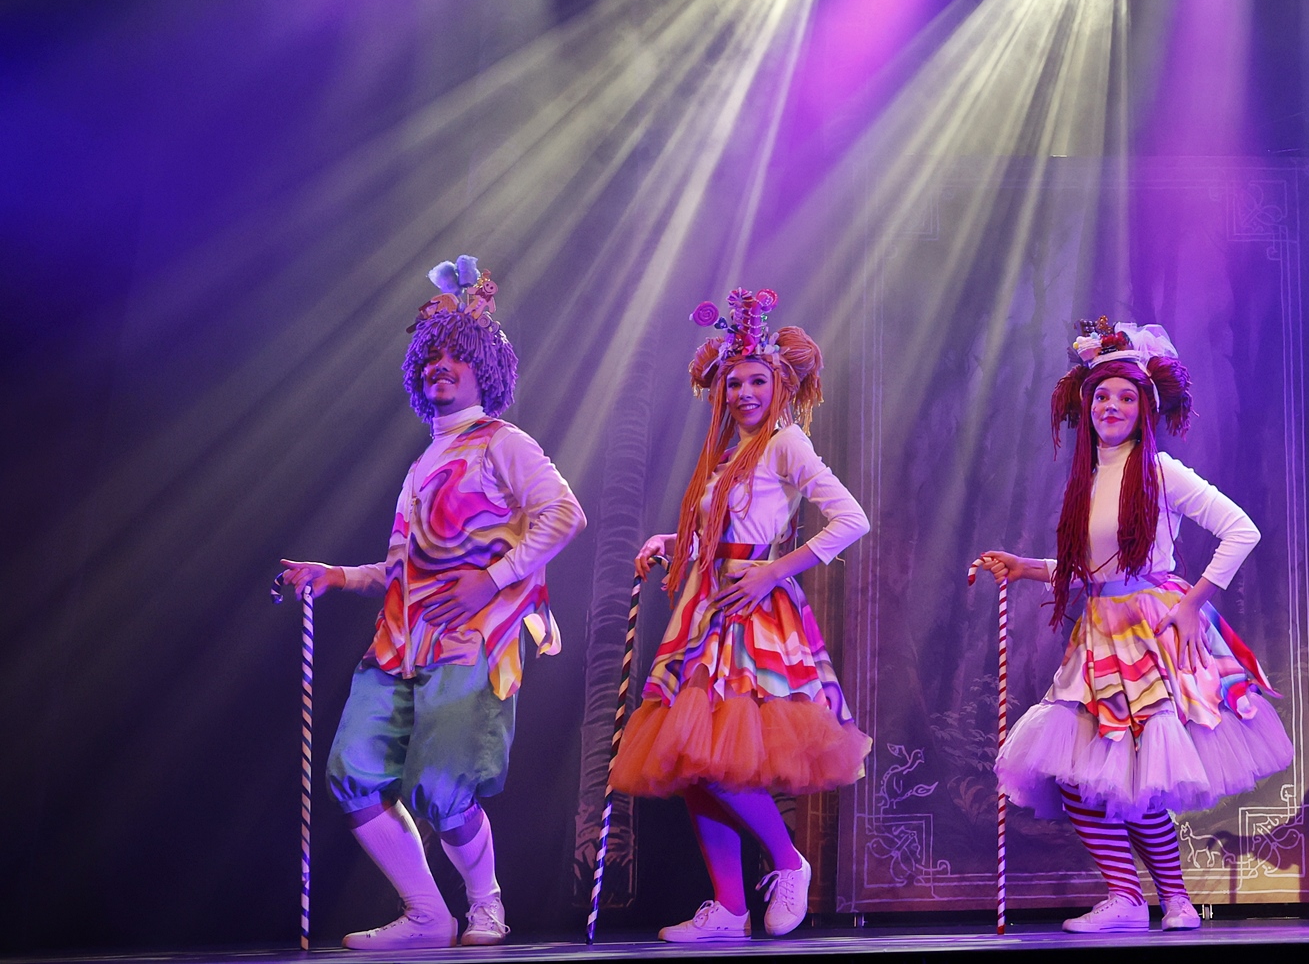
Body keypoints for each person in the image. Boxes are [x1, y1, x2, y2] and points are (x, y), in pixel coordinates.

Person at [279, 257, 584, 949]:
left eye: (455, 355)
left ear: (484, 368)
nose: (439, 366)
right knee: (353, 773)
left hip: (472, 640)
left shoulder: (503, 442)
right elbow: (400, 570)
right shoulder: (422, 465)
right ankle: (426, 913)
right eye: (430, 357)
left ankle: (486, 905)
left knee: (443, 787)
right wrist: (336, 575)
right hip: (400, 642)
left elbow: (565, 514)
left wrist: (493, 578)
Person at [975, 319, 1294, 936]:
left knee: (1138, 775)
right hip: (1099, 632)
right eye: (1102, 396)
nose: (1112, 407)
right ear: (1086, 405)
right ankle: (1126, 896)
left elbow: (1241, 530)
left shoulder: (1161, 471)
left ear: (1144, 407)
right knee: (1083, 777)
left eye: (1126, 397)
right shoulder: (1088, 478)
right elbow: (1095, 570)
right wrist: (1028, 567)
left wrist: (1193, 604)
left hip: (1148, 632)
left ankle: (1175, 901)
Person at [609, 288, 873, 942]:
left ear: (780, 385)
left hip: (751, 611)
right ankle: (729, 907)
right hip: (706, 609)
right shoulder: (727, 454)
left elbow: (851, 518)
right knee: (694, 764)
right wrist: (673, 542)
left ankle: (788, 861)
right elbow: (722, 528)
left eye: (757, 380)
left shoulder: (786, 443)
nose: (745, 392)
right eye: (734, 382)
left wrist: (774, 571)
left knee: (718, 759)